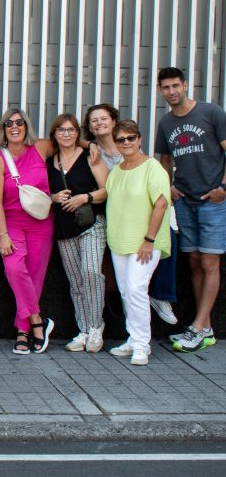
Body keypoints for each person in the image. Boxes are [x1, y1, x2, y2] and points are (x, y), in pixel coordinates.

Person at [154, 67, 226, 353]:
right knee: (195, 261)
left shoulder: (211, 113)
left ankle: (197, 327)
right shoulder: (166, 123)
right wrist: (168, 186)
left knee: (209, 263)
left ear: (185, 85)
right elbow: (164, 160)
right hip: (185, 200)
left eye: (176, 86)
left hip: (213, 200)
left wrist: (224, 188)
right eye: (166, 88)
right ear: (160, 91)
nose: (172, 92)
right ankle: (204, 326)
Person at [88, 102, 178, 326]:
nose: (99, 123)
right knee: (127, 287)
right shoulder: (90, 149)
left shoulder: (140, 157)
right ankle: (133, 335)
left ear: (114, 122)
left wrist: (149, 239)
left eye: (104, 118)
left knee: (168, 239)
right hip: (110, 217)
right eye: (94, 120)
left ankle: (160, 296)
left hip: (140, 219)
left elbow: (155, 193)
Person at [0, 108, 57, 355]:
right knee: (15, 268)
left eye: (19, 122)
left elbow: (69, 140)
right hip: (9, 221)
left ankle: (22, 331)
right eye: (9, 123)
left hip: (40, 221)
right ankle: (38, 321)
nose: (14, 127)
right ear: (3, 130)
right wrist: (3, 234)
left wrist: (88, 146)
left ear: (26, 126)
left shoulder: (41, 147)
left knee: (35, 276)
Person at [104, 120, 171, 365]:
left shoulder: (153, 167)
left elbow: (161, 203)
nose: (126, 143)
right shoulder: (117, 171)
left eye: (130, 138)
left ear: (140, 139)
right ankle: (133, 339)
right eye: (121, 139)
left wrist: (149, 240)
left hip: (146, 243)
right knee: (126, 292)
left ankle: (142, 344)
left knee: (135, 288)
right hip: (120, 241)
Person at [46, 113, 109, 353]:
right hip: (63, 228)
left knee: (92, 273)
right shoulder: (49, 161)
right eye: (61, 130)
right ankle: (83, 330)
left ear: (77, 133)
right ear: (55, 133)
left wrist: (86, 197)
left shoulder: (90, 157)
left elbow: (107, 189)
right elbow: (42, 193)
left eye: (71, 130)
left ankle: (95, 327)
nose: (66, 134)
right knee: (76, 282)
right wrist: (53, 197)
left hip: (91, 224)